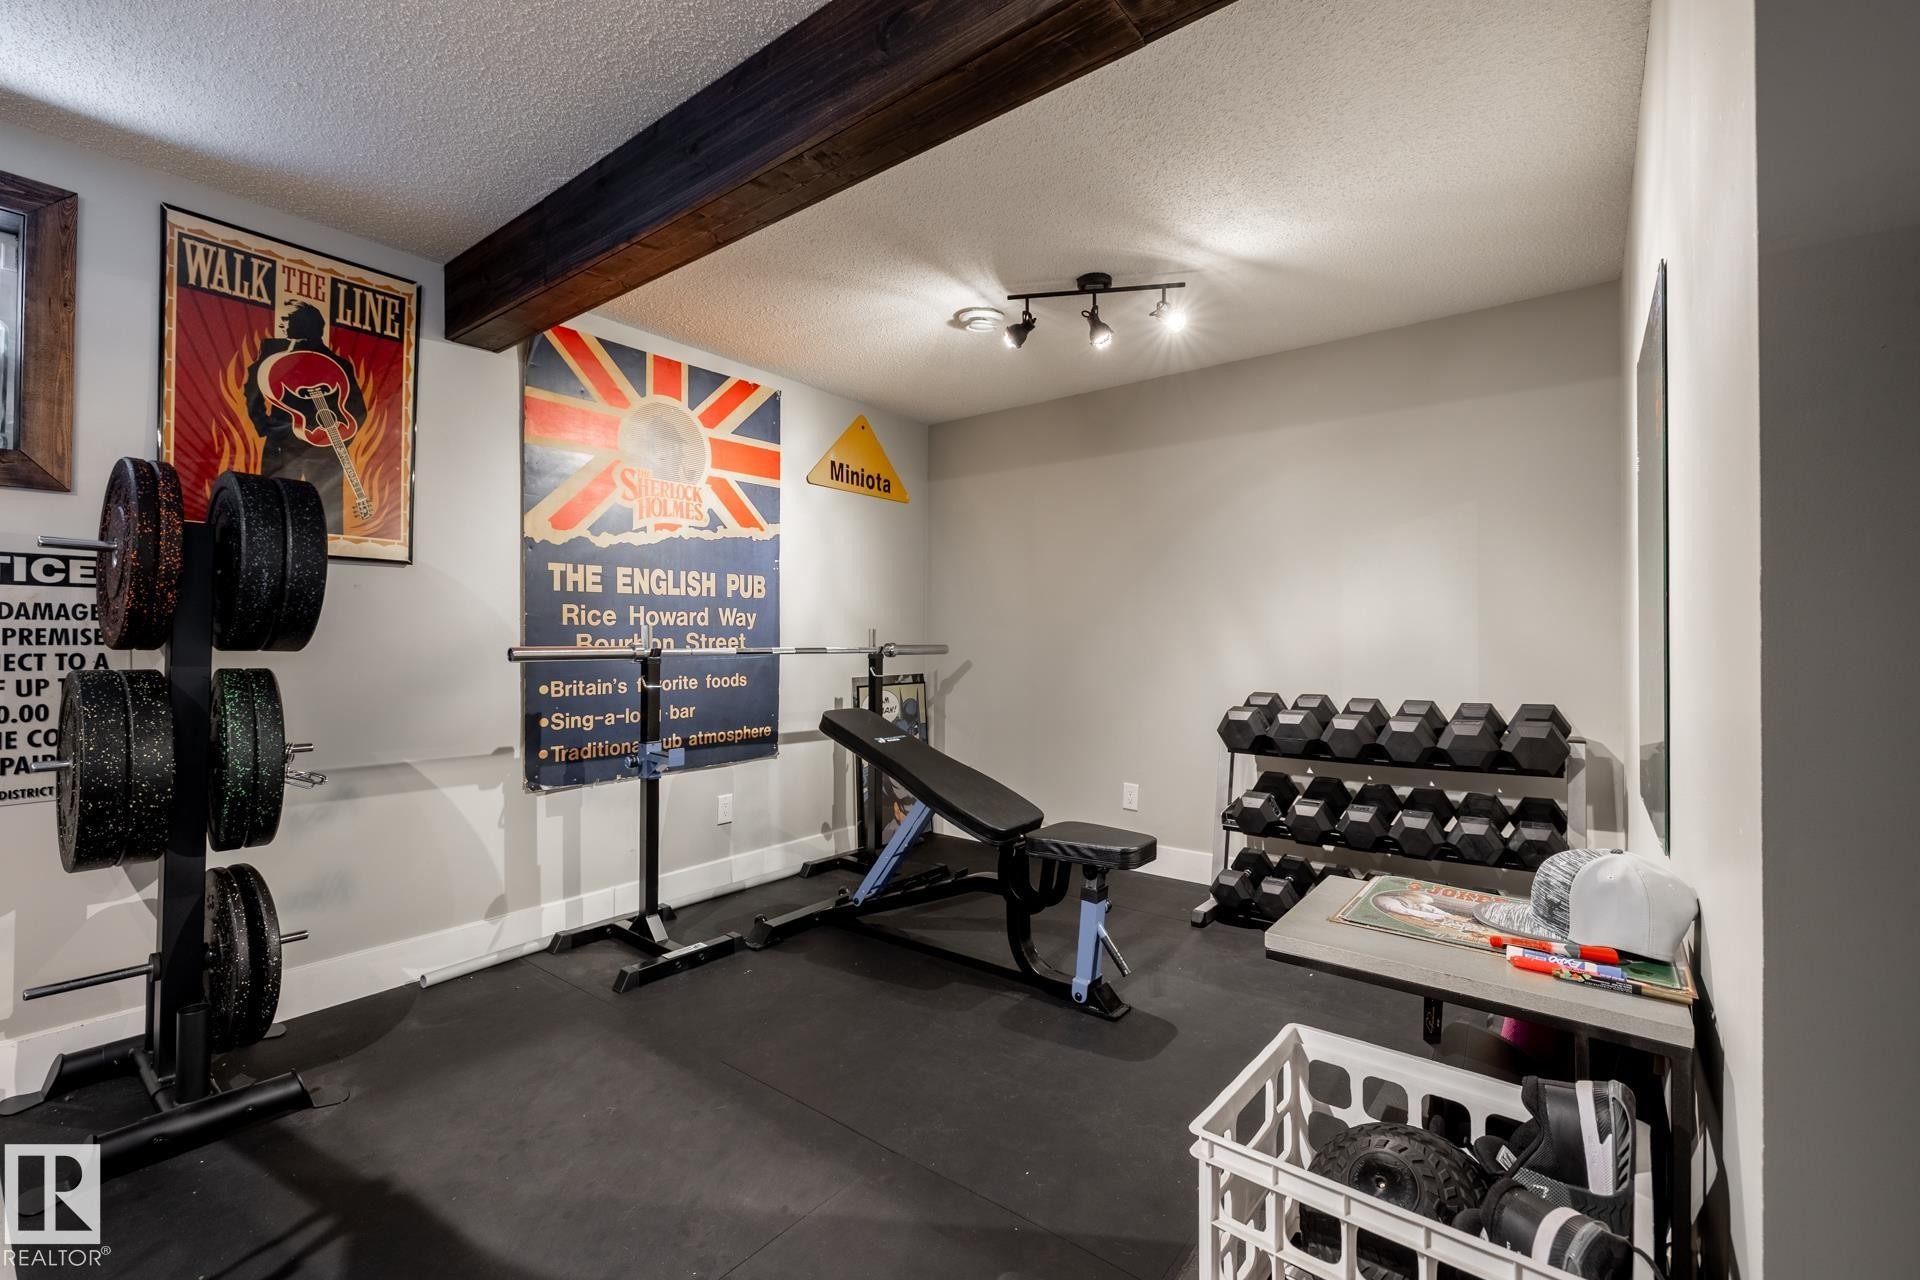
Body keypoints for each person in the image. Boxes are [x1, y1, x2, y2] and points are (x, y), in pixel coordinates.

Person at [245, 302, 364, 532]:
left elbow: (357, 409)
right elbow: (253, 390)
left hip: (325, 453)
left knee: (327, 518)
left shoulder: (339, 365)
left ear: (304, 323)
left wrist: (335, 439)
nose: (282, 323)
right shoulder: (273, 354)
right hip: (282, 447)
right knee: (272, 515)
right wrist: (265, 426)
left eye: (287, 318)